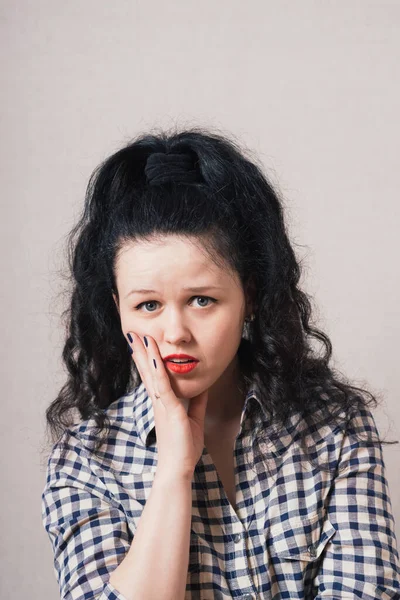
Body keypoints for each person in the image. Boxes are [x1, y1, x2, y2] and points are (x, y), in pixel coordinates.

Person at [41, 127, 400, 600]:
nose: (175, 334)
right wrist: (173, 470)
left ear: (249, 296)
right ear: (117, 309)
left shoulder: (334, 428)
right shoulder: (85, 461)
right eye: (147, 305)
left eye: (202, 300)